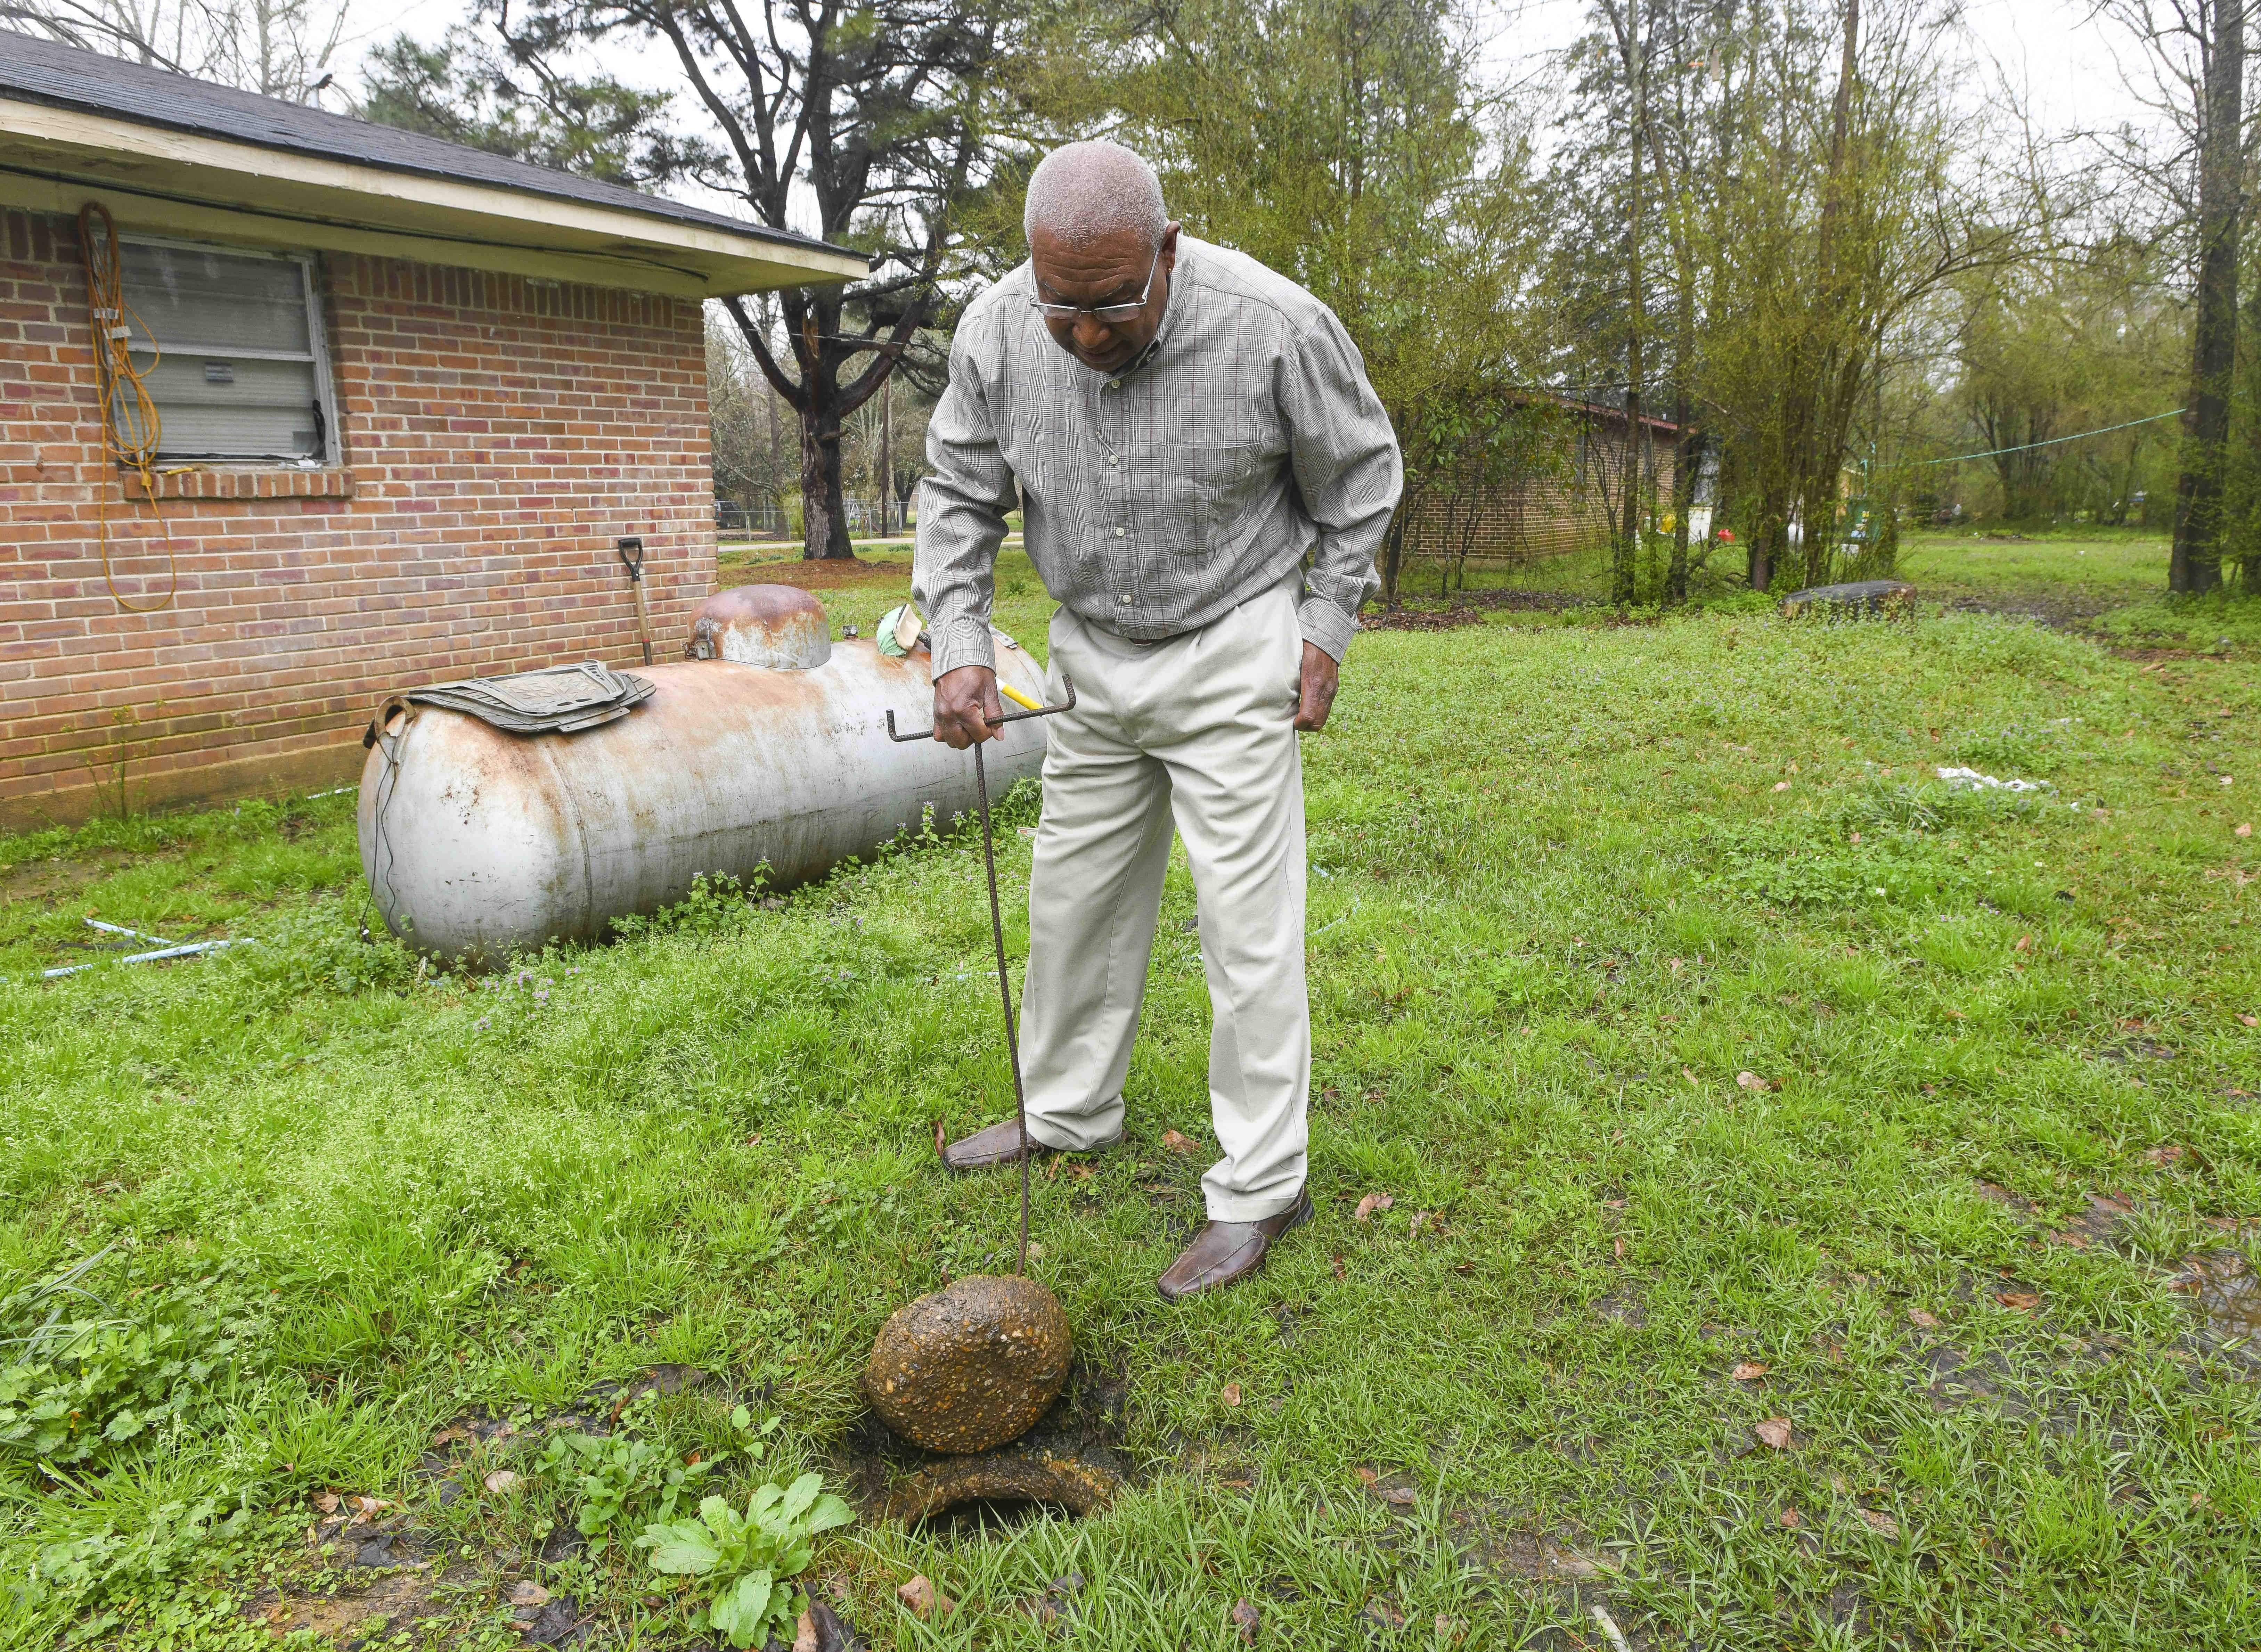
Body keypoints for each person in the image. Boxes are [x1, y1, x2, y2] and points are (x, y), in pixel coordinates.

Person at [911, 139, 1401, 1300]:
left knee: (1246, 929)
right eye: (1061, 308)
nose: (1087, 336)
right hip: (1089, 655)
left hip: (1235, 643)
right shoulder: (992, 329)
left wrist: (1325, 628)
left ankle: (1259, 1185)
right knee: (1071, 896)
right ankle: (1068, 1109)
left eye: (1115, 302)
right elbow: (958, 492)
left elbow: (1362, 476)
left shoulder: (1272, 323)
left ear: (1169, 251)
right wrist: (961, 646)